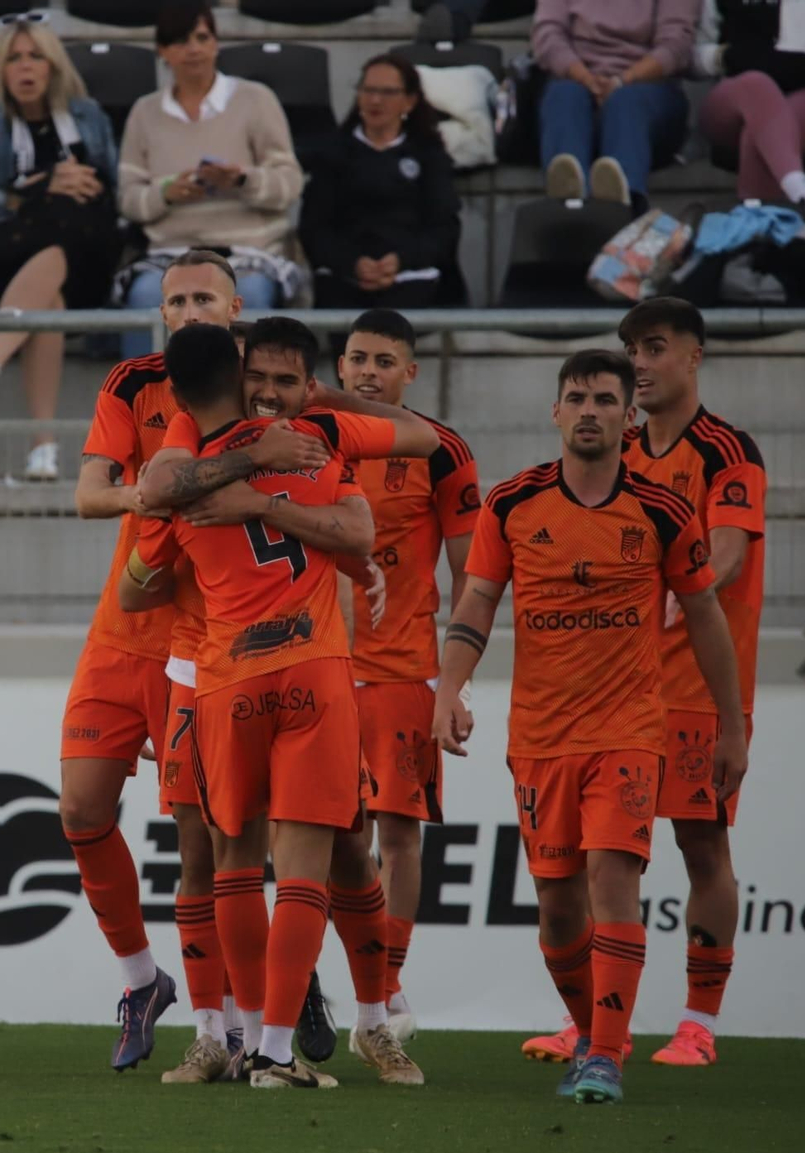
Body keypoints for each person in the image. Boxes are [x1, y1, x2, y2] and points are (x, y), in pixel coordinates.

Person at [129, 319, 439, 1089]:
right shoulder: (313, 448)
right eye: (257, 377)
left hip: (229, 679)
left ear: (310, 385)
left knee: (242, 862)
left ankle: (306, 1030)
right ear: (237, 375)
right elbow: (360, 528)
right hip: (313, 673)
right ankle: (265, 1047)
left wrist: (247, 506)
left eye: (286, 380)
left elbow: (142, 558)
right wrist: (273, 486)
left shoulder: (196, 469)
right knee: (307, 866)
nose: (268, 391)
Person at [432, 348, 747, 1105]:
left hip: (630, 730)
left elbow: (706, 615)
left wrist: (731, 726)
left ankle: (604, 1055)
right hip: (541, 736)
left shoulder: (663, 511)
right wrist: (449, 689)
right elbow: (476, 602)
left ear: (628, 417)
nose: (589, 411)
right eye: (576, 398)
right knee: (557, 906)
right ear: (555, 411)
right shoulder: (512, 504)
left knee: (613, 877)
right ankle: (592, 1032)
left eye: (605, 400)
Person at [64, 249, 304, 1075]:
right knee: (80, 811)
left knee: (205, 842)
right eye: (176, 300)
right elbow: (89, 494)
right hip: (122, 629)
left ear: (236, 308)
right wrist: (151, 494)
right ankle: (143, 981)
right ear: (159, 312)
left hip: (208, 643)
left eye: (205, 297)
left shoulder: (265, 389)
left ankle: (240, 1020)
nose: (190, 310)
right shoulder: (134, 383)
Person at [525, 299, 764, 1068]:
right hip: (612, 693)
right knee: (597, 864)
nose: (640, 362)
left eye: (655, 347)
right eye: (632, 348)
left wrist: (669, 590)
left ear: (694, 355)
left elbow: (726, 554)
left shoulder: (727, 449)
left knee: (702, 842)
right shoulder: (615, 446)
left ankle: (698, 1023)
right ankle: (598, 1024)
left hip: (693, 685)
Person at [334, 310, 479, 1047]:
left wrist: (453, 684)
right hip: (317, 668)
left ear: (410, 372)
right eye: (358, 358)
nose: (368, 372)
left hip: (402, 672)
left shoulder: (440, 449)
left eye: (383, 361)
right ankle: (315, 988)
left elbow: (473, 579)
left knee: (397, 835)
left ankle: (386, 987)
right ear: (339, 364)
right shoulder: (308, 438)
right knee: (327, 840)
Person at [0, 14, 120, 482]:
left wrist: (84, 186)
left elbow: (117, 196)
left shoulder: (87, 117)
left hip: (86, 264)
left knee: (61, 238)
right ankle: (42, 448)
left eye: (35, 57)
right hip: (3, 266)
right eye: (14, 59)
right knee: (49, 297)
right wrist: (34, 187)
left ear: (53, 65)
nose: (25, 67)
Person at [115, 0, 304, 361]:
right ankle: (144, 396)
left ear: (216, 43)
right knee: (143, 298)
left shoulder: (256, 100)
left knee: (249, 296)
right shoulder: (145, 112)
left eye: (202, 38)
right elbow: (128, 199)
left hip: (247, 252)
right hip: (171, 255)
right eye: (181, 40)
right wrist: (167, 193)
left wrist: (242, 179)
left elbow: (289, 184)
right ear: (162, 51)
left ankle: (244, 394)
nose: (194, 49)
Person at [299, 55, 462, 328]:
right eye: (369, 90)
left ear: (409, 101)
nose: (376, 100)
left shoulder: (429, 155)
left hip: (413, 275)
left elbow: (444, 228)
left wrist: (401, 261)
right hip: (344, 276)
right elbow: (313, 228)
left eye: (388, 92)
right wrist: (352, 263)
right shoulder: (333, 153)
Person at [692, 0, 805, 236]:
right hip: (736, 98)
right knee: (757, 85)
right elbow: (692, 58)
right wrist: (725, 57)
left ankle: (760, 240)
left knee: (761, 133)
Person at [532, 0, 699, 208]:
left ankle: (624, 207)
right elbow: (548, 35)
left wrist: (622, 81)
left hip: (649, 91)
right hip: (576, 81)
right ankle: (568, 204)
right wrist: (586, 79)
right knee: (564, 96)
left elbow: (676, 45)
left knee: (625, 103)